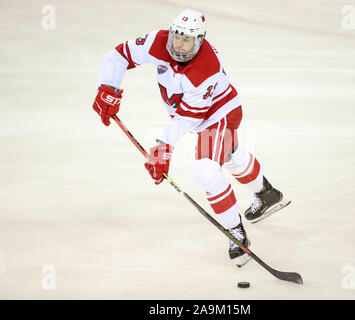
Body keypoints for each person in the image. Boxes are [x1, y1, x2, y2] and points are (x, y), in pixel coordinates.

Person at [92, 8, 290, 267]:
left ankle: (235, 232)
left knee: (205, 169)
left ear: (200, 40)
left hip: (219, 115)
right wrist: (109, 88)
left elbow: (189, 118)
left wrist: (163, 148)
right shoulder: (158, 41)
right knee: (230, 156)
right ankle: (267, 194)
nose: (178, 43)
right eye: (176, 36)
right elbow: (117, 56)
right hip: (198, 116)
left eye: (187, 39)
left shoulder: (206, 67)